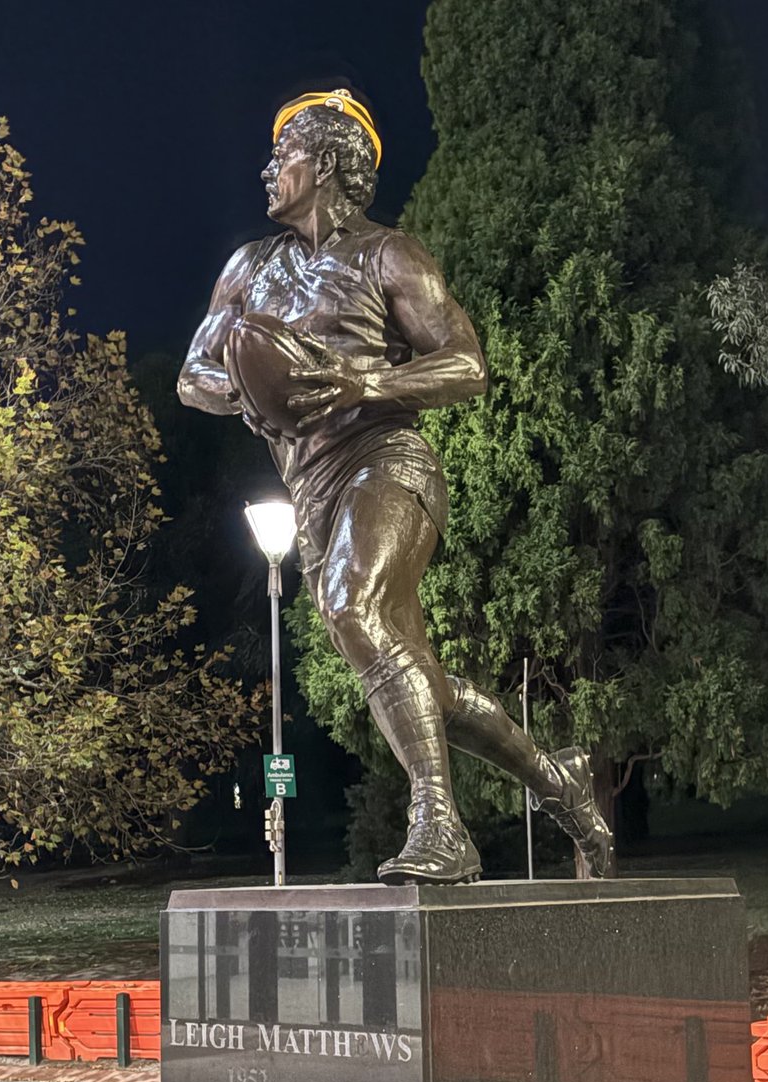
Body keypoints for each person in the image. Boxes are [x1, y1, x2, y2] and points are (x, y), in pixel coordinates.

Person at [178, 88, 613, 884]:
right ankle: (560, 781)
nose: (270, 167)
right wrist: (258, 391)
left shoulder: (390, 256)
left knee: (352, 605)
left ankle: (440, 827)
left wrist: (357, 380)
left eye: (288, 154)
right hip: (310, 488)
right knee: (419, 680)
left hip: (388, 463)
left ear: (334, 162)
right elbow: (193, 377)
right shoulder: (250, 272)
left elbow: (467, 364)